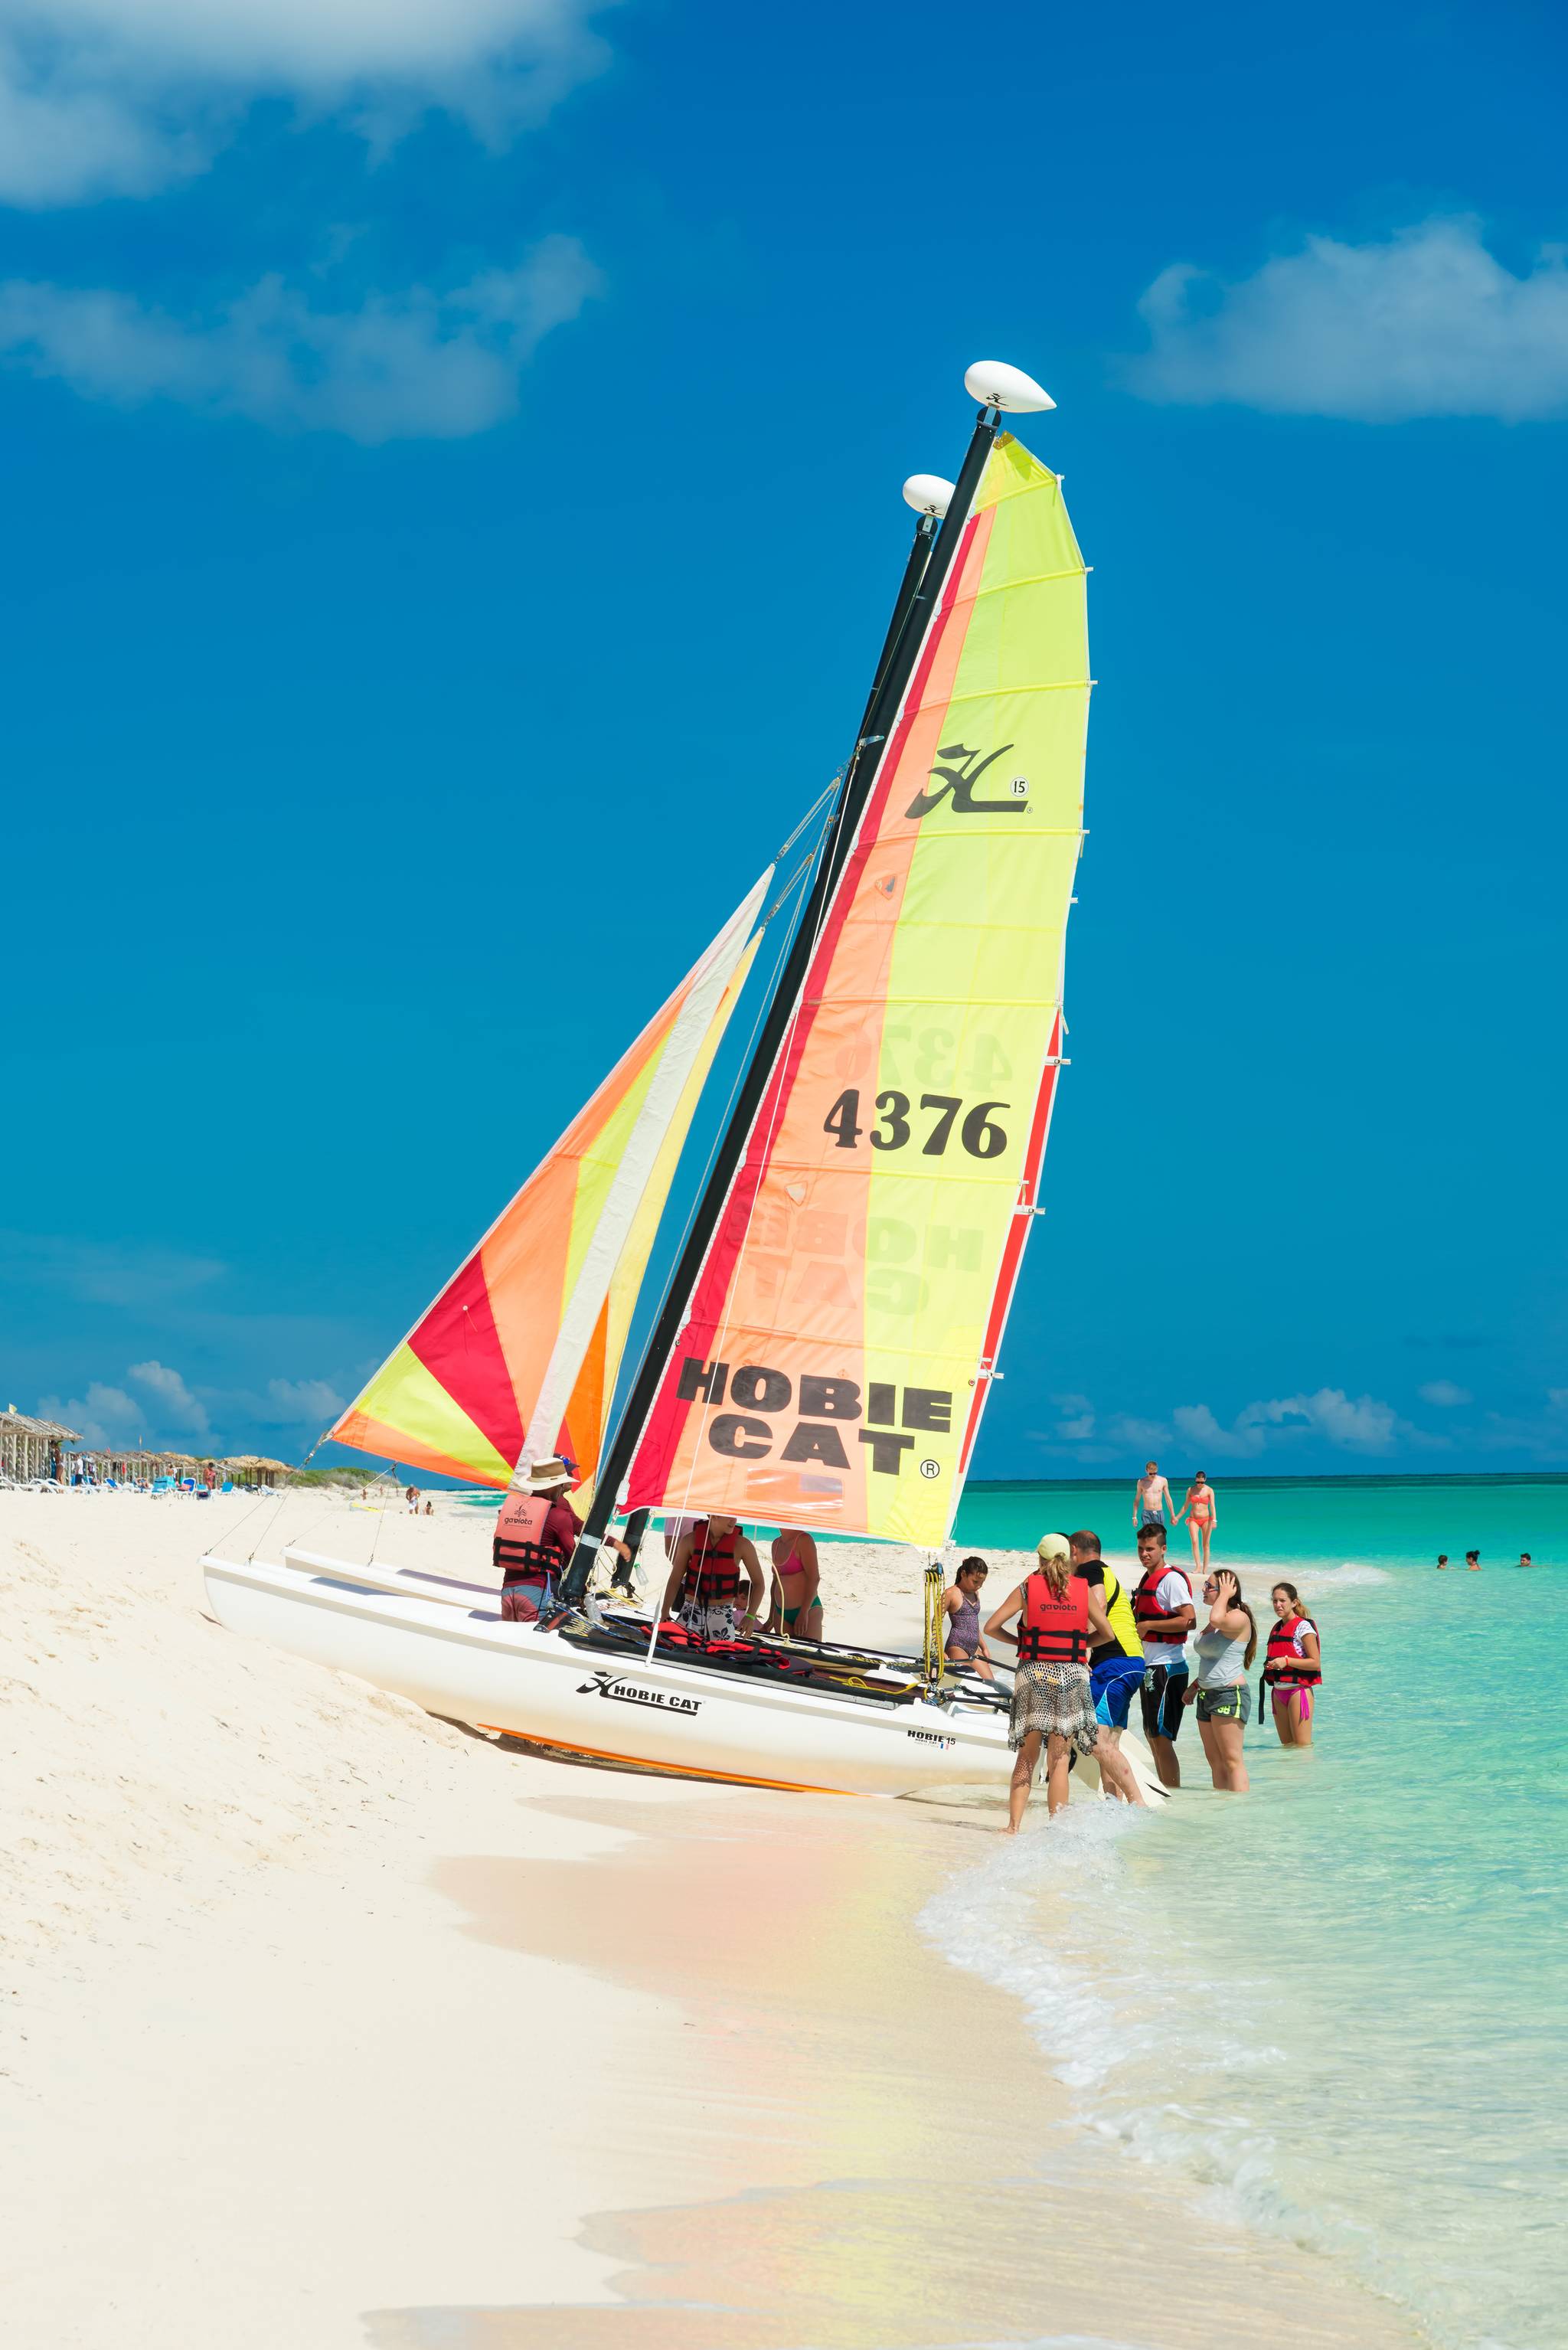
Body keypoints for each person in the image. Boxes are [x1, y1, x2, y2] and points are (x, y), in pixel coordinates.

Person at [985, 1534, 1145, 1829]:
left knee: (1027, 1755)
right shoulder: (1081, 1590)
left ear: (1041, 1560)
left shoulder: (1027, 1588)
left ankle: (1013, 1827)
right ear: (1069, 1558)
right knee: (1058, 1760)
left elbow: (991, 1627)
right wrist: (1081, 1645)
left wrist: (1022, 1644)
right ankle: (1058, 1828)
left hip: (1034, 1674)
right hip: (1071, 1674)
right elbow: (1108, 1634)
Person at [1131, 1521, 1196, 1787]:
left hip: (1167, 1667)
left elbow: (1189, 1620)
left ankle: (1173, 1792)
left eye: (1150, 1549)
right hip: (1151, 1666)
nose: (1144, 1554)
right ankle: (1165, 1790)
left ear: (1163, 1549)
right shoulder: (1147, 1578)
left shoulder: (1171, 1580)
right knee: (1151, 1734)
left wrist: (1149, 1626)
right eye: (1140, 1549)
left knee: (1161, 1736)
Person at [1067, 1529, 1145, 1752]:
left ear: (1074, 1550)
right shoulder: (1106, 1571)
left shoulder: (1089, 1568)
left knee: (1097, 1741)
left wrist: (1081, 1650)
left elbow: (1099, 1605)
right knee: (1110, 1744)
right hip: (1132, 1662)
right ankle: (1112, 1789)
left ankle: (1130, 1789)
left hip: (1115, 1662)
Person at [1184, 1567, 1257, 1792]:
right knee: (1215, 1762)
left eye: (1209, 1586)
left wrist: (1225, 1594)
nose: (1203, 1590)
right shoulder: (1216, 1621)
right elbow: (1213, 1660)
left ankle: (1240, 1810)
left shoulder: (1238, 1617)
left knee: (1232, 1760)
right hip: (1207, 1695)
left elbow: (1217, 1619)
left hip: (1229, 1695)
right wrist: (1195, 1686)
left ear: (1226, 1590)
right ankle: (1223, 1811)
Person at [493, 1457, 580, 1623]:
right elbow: (572, 1555)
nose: (562, 1489)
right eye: (561, 1485)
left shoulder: (513, 1509)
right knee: (533, 1641)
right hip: (535, 1592)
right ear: (554, 1486)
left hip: (507, 1591)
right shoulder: (558, 1515)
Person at [662, 1514, 767, 1642]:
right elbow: (675, 1579)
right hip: (690, 1612)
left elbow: (759, 1583)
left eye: (735, 1516)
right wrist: (664, 1611)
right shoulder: (689, 1541)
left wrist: (750, 1616)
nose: (734, 1520)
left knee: (721, 1657)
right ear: (713, 1515)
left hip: (723, 1617)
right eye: (729, 1516)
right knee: (679, 1655)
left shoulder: (742, 1545)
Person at [1263, 1581, 1321, 1746]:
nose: (1278, 1605)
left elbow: (1315, 1663)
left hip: (1298, 1692)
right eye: (1274, 1601)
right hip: (1278, 1692)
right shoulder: (1277, 1628)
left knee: (1302, 1747)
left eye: (1282, 1601)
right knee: (1287, 1748)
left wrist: (1286, 1661)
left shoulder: (1303, 1627)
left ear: (1294, 1603)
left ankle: (1306, 1772)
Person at [942, 1557, 993, 1678]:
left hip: (974, 1647)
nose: (979, 1586)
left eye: (982, 1582)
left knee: (991, 1685)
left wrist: (984, 1647)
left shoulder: (975, 1593)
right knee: (967, 1681)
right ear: (963, 1574)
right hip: (957, 1645)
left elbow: (973, 1624)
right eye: (975, 1581)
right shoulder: (950, 1593)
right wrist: (939, 1651)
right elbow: (935, 1623)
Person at [769, 1527, 822, 1640]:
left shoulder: (804, 1540)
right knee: (785, 1656)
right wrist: (771, 1617)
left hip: (807, 1610)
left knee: (808, 1654)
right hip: (780, 1612)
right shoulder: (776, 1543)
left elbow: (814, 1578)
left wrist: (803, 1613)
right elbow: (775, 1581)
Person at [1175, 1470, 1217, 1574]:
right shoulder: (1191, 1490)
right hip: (1193, 1519)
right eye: (1198, 1482)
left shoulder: (1209, 1490)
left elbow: (1212, 1506)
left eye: (1202, 1482)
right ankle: (1198, 1566)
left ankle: (1205, 1569)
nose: (1199, 1484)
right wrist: (1177, 1517)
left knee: (1206, 1545)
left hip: (1206, 1519)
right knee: (1194, 1541)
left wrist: (1215, 1520)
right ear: (1195, 1480)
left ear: (1205, 1480)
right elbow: (1185, 1506)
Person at [1133, 1461, 1174, 1530]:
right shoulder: (1141, 1482)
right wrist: (1134, 1517)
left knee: (1159, 1537)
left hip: (1159, 1512)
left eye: (1155, 1473)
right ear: (1146, 1471)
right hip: (1147, 1513)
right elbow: (1137, 1500)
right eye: (1151, 1473)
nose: (1153, 1475)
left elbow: (1168, 1498)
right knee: (1148, 1538)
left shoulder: (1163, 1481)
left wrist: (1172, 1515)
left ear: (1157, 1470)